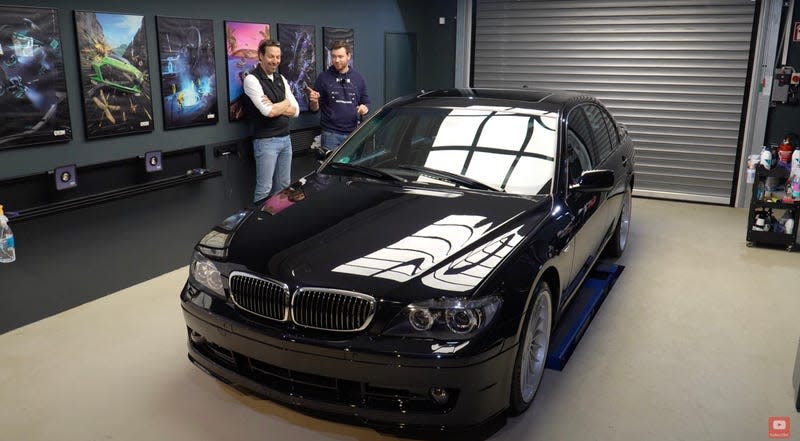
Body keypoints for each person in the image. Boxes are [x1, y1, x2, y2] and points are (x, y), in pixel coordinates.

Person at [242, 39, 299, 202]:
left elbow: (296, 111)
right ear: (261, 56)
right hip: (266, 142)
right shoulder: (251, 79)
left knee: (284, 185)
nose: (275, 61)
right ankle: (257, 225)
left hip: (285, 139)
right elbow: (268, 111)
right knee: (264, 189)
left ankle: (279, 222)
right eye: (271, 56)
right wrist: (286, 102)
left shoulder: (280, 78)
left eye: (278, 57)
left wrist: (279, 105)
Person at [306, 40, 370, 152]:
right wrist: (314, 101)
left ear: (348, 56)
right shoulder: (323, 78)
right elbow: (314, 110)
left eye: (340, 56)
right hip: (330, 133)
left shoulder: (358, 79)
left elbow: (365, 101)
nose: (336, 60)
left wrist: (364, 108)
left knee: (350, 167)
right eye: (334, 57)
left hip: (353, 132)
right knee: (331, 168)